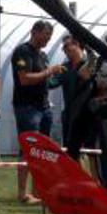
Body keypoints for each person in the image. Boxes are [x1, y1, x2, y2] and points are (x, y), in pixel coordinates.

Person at [11, 20, 62, 203]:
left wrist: (61, 77)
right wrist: (49, 71)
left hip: (44, 107)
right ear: (34, 32)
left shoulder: (43, 55)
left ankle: (38, 191)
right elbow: (24, 79)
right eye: (45, 36)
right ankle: (23, 193)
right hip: (27, 108)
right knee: (28, 148)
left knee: (42, 150)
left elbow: (46, 82)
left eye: (50, 37)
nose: (47, 40)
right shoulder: (22, 52)